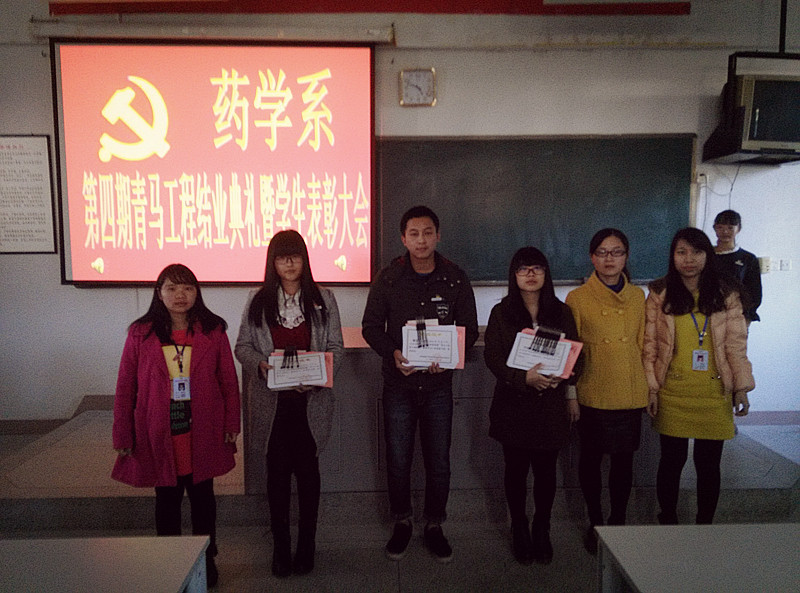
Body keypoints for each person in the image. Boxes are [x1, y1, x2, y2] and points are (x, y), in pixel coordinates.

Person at [361, 205, 478, 564]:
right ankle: (402, 521)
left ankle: (434, 525)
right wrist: (394, 353)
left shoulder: (455, 278)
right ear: (403, 238)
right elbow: (370, 327)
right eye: (414, 234)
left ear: (438, 235)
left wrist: (451, 356)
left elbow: (470, 331)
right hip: (399, 384)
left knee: (438, 460)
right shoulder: (388, 278)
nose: (421, 240)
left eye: (428, 233)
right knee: (398, 459)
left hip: (439, 386)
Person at [112, 263, 240, 588]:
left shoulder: (213, 331)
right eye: (171, 288)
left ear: (197, 292)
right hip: (160, 432)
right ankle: (170, 562)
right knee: (166, 502)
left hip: (202, 430)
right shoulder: (140, 333)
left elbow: (228, 382)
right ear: (159, 293)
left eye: (187, 288)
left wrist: (232, 423)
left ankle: (205, 560)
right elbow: (126, 386)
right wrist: (123, 433)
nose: (180, 295)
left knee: (203, 501)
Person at [235, 230, 343, 578]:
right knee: (277, 479)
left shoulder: (324, 298)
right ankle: (281, 549)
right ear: (273, 262)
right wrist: (260, 366)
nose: (289, 263)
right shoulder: (257, 300)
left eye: (295, 256)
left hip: (310, 405)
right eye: (282, 257)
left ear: (304, 259)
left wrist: (319, 376)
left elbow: (336, 348)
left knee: (309, 478)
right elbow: (242, 347)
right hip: (273, 406)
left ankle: (306, 546)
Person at [644, 227, 755, 525]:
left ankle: (705, 524)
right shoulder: (659, 294)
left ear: (708, 255)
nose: (689, 259)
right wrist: (652, 389)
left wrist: (741, 388)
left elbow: (736, 345)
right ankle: (668, 519)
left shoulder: (726, 294)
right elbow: (650, 346)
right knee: (671, 462)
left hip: (714, 393)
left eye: (696, 252)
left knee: (708, 465)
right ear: (673, 257)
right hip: (672, 392)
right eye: (681, 252)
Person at [484, 247, 582, 565]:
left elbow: (576, 355)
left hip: (550, 407)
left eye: (537, 268)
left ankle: (542, 527)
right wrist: (523, 378)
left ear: (546, 274)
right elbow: (493, 357)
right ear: (514, 275)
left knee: (545, 473)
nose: (530, 274)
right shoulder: (501, 312)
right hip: (513, 406)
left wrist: (561, 379)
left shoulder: (562, 312)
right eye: (523, 269)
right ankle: (519, 527)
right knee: (515, 472)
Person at [565, 229, 649, 554]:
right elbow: (572, 351)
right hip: (593, 389)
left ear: (626, 257)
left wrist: (649, 388)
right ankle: (596, 522)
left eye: (616, 252)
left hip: (628, 389)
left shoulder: (638, 296)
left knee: (623, 463)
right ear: (592, 258)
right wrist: (571, 394)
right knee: (590, 461)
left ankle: (618, 522)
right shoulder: (577, 298)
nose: (609, 259)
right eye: (602, 252)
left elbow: (644, 344)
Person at [712, 209, 762, 324]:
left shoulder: (748, 259)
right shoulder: (705, 255)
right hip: (707, 313)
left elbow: (755, 293)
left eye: (730, 228)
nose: (725, 232)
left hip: (736, 316)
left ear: (738, 228)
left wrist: (747, 318)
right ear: (714, 228)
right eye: (720, 227)